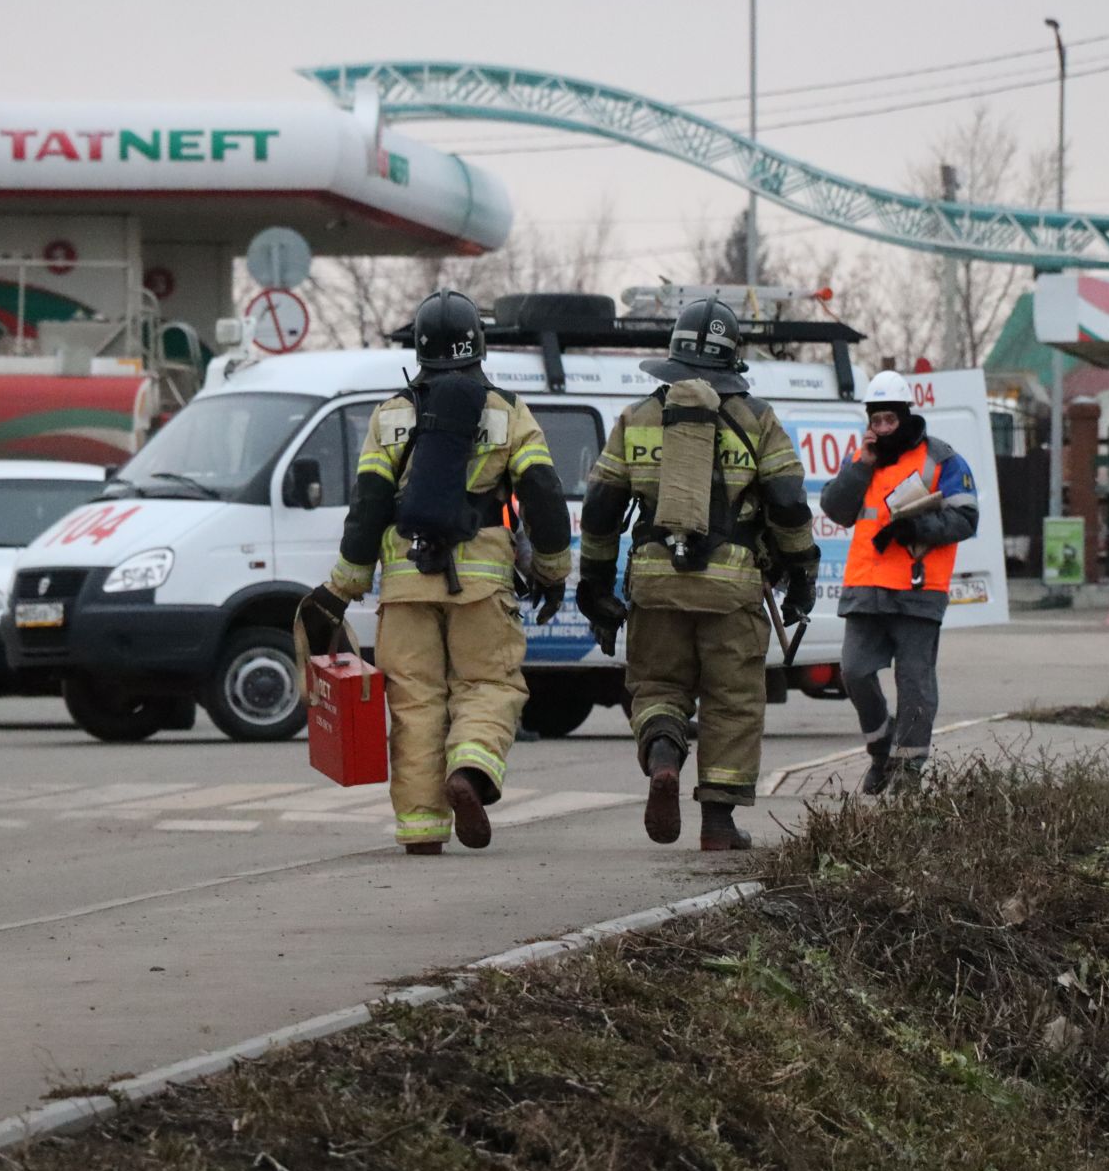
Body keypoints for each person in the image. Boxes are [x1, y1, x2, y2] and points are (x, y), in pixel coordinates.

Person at [308, 290, 573, 855]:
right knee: (487, 686)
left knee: (415, 702)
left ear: (419, 348)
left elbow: (369, 507)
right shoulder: (507, 411)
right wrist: (552, 570)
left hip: (405, 585)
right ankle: (470, 773)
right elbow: (544, 494)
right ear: (478, 345)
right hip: (482, 585)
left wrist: (344, 586)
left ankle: (422, 830)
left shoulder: (390, 415)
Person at [575, 299, 819, 852]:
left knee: (659, 687)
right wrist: (802, 570)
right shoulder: (758, 419)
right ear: (733, 358)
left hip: (655, 583)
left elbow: (600, 509)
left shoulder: (637, 418)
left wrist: (594, 587)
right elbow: (786, 503)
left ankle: (664, 756)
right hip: (732, 589)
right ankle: (718, 824)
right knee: (733, 699)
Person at [819, 370, 981, 794]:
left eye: (890, 420)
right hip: (865, 588)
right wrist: (862, 466)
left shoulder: (941, 459)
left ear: (906, 416)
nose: (884, 428)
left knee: (915, 684)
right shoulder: (862, 459)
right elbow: (836, 509)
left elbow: (966, 518)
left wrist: (915, 529)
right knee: (854, 672)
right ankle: (881, 750)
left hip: (918, 590)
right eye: (877, 420)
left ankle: (907, 772)